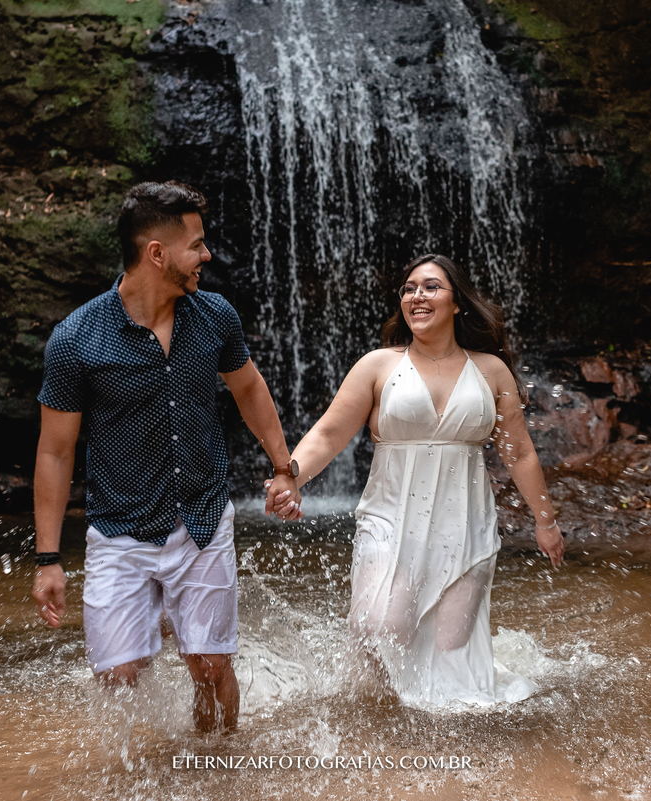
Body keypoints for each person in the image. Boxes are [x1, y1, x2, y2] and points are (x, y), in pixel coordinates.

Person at [30, 181, 301, 733]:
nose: (206, 256)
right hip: (119, 529)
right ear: (157, 253)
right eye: (196, 245)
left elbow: (248, 389)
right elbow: (55, 452)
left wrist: (281, 467)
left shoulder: (214, 317)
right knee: (118, 675)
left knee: (209, 664)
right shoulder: (76, 339)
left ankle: (219, 769)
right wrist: (48, 559)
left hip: (202, 517)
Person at [273, 253, 564, 707]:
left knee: (451, 649)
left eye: (430, 287)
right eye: (409, 289)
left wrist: (544, 522)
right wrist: (289, 475)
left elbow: (520, 451)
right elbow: (329, 434)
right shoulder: (377, 366)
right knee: (378, 625)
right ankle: (372, 718)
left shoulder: (490, 370)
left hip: (464, 523)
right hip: (390, 517)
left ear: (457, 304)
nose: (416, 296)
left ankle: (448, 754)